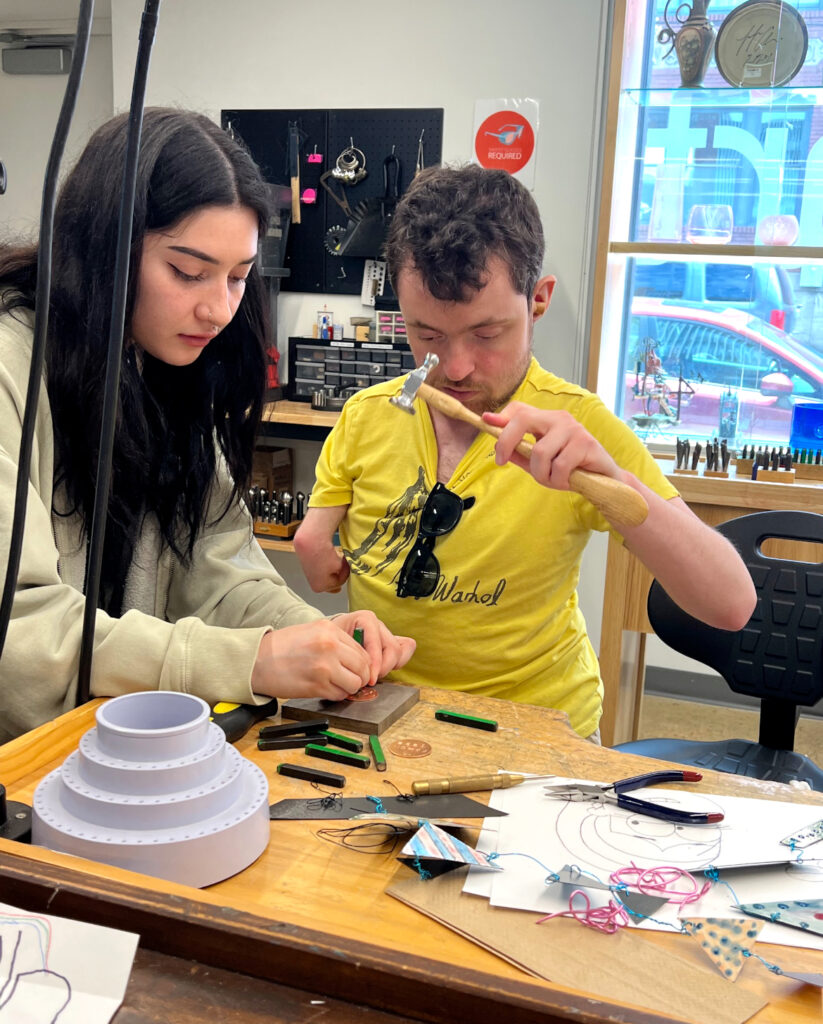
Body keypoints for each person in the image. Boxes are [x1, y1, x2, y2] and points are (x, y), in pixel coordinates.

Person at [294, 164, 755, 741]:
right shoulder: (368, 414)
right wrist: (316, 540)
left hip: (537, 731)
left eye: (486, 334)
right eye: (427, 335)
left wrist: (613, 481)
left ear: (538, 300)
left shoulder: (578, 427)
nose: (455, 368)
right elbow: (318, 538)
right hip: (387, 716)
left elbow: (729, 605)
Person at [0, 108, 414, 743]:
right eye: (189, 273)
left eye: (239, 277)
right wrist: (252, 661)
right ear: (104, 248)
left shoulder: (162, 361)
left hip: (113, 751)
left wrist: (310, 633)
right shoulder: (12, 371)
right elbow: (21, 636)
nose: (219, 309)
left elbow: (218, 566)